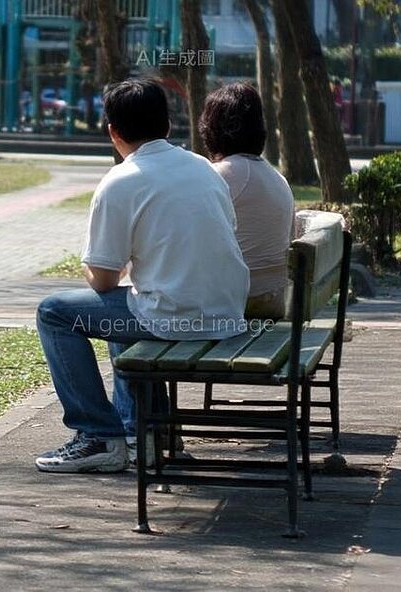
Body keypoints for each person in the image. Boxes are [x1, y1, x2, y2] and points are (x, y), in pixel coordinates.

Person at [34, 78, 249, 473]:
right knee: (128, 307)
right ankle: (146, 434)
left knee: (54, 313)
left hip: (177, 317)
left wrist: (92, 261)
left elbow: (102, 282)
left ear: (113, 132)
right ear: (168, 126)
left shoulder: (120, 181)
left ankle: (98, 434)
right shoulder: (204, 168)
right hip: (227, 312)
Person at [199, 83, 295, 321]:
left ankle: (125, 362)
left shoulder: (221, 175)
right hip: (274, 299)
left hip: (237, 301)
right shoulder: (276, 177)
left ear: (212, 129)